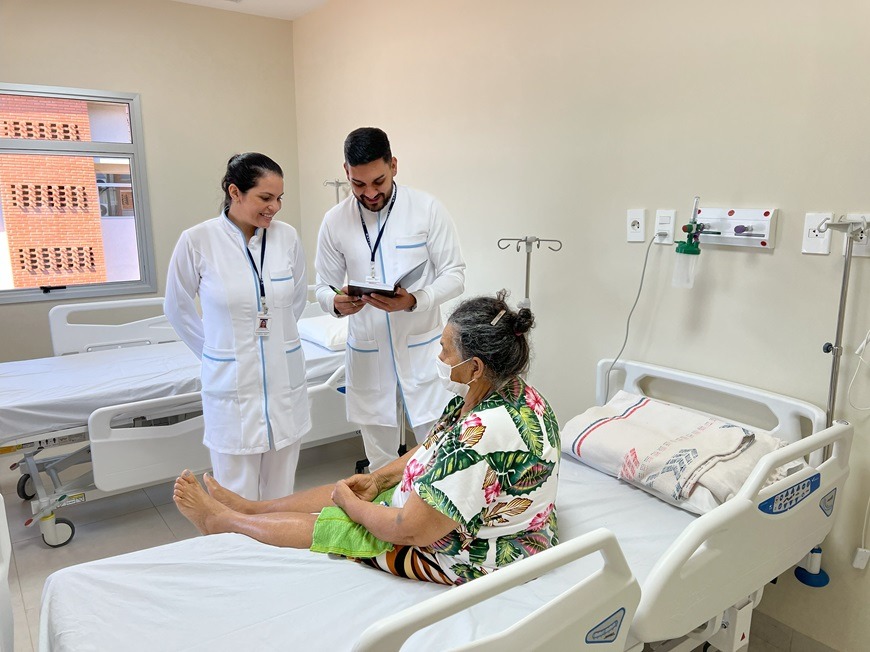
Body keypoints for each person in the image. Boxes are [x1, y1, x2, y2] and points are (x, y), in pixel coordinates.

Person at [173, 292, 560, 586]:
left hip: (473, 555)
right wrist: (379, 480)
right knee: (362, 486)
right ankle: (254, 509)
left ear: (474, 366)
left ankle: (224, 521)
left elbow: (411, 530)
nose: (439, 357)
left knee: (343, 520)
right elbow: (432, 448)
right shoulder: (506, 393)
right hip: (466, 512)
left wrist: (351, 506)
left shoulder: (484, 434)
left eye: (445, 349)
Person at [314, 127, 466, 471]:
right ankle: (385, 520)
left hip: (423, 351)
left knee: (438, 455)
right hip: (369, 354)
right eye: (358, 184)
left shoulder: (426, 209)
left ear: (394, 165)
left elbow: (455, 274)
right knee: (381, 464)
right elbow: (322, 285)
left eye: (378, 182)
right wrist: (335, 303)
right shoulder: (335, 221)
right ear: (346, 173)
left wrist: (415, 300)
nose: (369, 193)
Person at [164, 153, 311, 501]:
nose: (274, 207)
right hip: (232, 391)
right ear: (235, 192)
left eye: (279, 198)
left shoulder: (287, 238)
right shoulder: (198, 241)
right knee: (234, 497)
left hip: (283, 385)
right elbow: (177, 306)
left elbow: (296, 299)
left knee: (280, 498)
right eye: (265, 198)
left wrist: (278, 340)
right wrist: (216, 354)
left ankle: (276, 554)